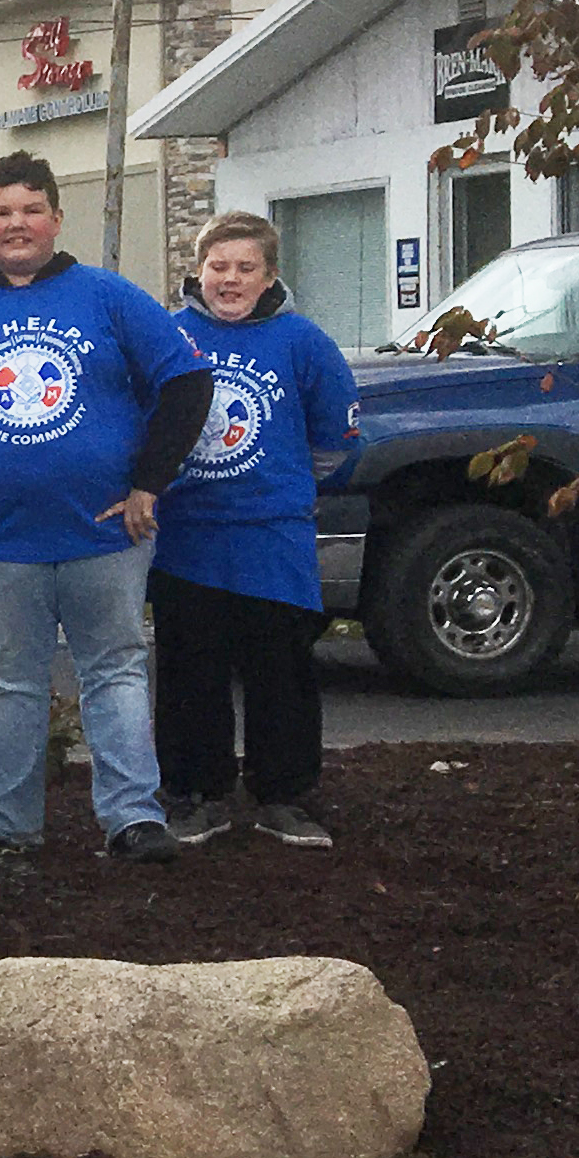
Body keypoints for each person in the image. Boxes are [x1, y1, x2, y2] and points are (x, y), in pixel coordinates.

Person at [0, 150, 215, 866]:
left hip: (107, 533)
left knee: (115, 672)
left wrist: (151, 482)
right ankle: (5, 819)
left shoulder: (109, 296)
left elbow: (186, 383)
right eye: (1, 212)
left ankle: (132, 818)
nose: (16, 224)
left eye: (31, 210)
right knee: (9, 682)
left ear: (57, 219)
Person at [154, 211, 362, 851]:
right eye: (219, 267)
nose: (231, 280)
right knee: (192, 676)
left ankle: (284, 796)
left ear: (270, 275)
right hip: (188, 542)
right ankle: (198, 794)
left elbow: (336, 445)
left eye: (246, 268)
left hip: (274, 543)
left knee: (282, 674)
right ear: (197, 271)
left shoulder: (304, 343)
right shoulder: (166, 338)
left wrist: (279, 487)